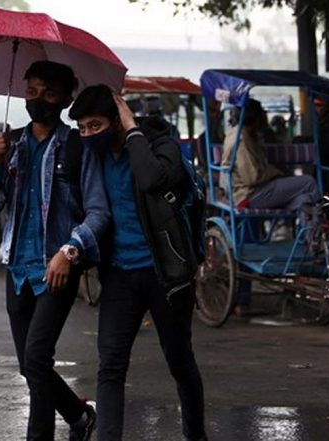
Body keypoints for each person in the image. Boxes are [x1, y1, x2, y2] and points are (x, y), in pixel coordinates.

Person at [0, 61, 110, 441]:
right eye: (32, 92)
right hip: (16, 269)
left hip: (56, 270)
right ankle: (79, 416)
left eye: (49, 94)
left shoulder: (76, 147)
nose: (38, 100)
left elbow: (99, 212)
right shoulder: (12, 143)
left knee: (36, 359)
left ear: (67, 99)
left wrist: (70, 250)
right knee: (29, 366)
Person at [69, 84, 208, 441]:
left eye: (95, 126)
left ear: (117, 120)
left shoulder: (160, 145)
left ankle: (196, 436)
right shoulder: (94, 156)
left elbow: (150, 179)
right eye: (82, 128)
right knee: (110, 367)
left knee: (179, 361)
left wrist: (132, 131)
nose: (88, 135)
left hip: (166, 273)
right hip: (119, 275)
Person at [221, 99, 320, 224]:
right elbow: (252, 178)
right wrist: (274, 173)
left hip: (257, 191)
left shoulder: (238, 134)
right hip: (248, 195)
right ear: (255, 119)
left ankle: (313, 241)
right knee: (308, 182)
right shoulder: (241, 140)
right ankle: (320, 224)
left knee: (304, 199)